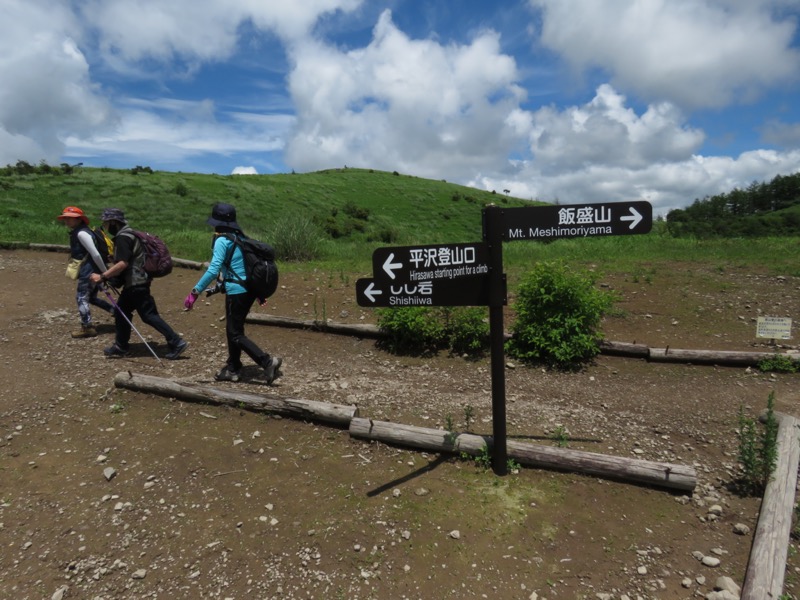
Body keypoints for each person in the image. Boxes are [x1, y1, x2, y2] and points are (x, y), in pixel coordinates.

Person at [183, 202, 282, 383]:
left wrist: (195, 292)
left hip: (237, 293)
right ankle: (233, 368)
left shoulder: (222, 240)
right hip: (247, 291)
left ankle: (267, 362)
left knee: (235, 333)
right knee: (234, 331)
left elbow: (213, 269)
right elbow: (242, 268)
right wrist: (256, 293)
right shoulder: (239, 237)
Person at [89, 208, 188, 360]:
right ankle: (121, 346)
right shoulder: (130, 234)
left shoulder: (123, 237)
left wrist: (102, 276)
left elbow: (122, 264)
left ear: (114, 222)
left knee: (149, 315)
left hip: (136, 283)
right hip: (138, 282)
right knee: (122, 312)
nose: (105, 226)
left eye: (106, 223)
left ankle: (176, 341)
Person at [57, 206, 114, 338]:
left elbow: (96, 254)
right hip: (93, 269)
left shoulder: (81, 234)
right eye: (65, 218)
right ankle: (116, 312)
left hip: (89, 271)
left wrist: (105, 274)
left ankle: (87, 327)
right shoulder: (83, 231)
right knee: (91, 298)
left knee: (81, 297)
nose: (67, 220)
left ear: (79, 219)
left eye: (70, 218)